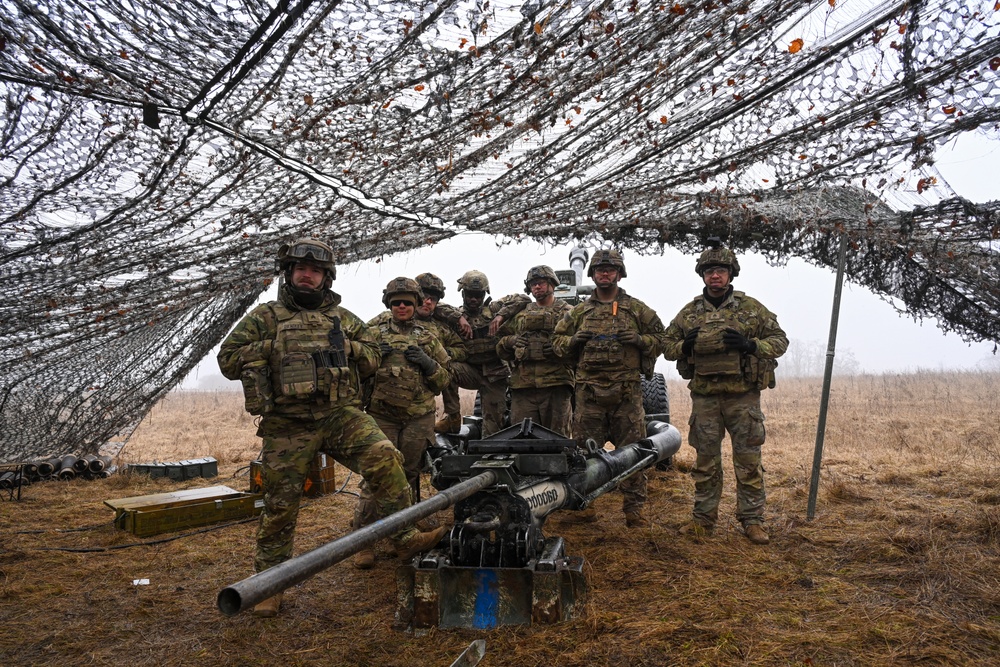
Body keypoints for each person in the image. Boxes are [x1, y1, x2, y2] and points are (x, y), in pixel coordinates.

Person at [217, 239, 446, 617]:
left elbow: (372, 357)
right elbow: (227, 360)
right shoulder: (266, 317)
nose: (307, 275)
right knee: (280, 503)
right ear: (289, 274)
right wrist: (276, 347)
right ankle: (269, 583)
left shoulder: (343, 318)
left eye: (316, 271)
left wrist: (347, 350)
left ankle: (404, 535)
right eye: (300, 270)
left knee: (385, 457)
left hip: (340, 414)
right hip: (288, 423)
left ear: (326, 277)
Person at [662, 241, 788, 545]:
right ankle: (703, 521)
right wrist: (685, 346)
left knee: (748, 461)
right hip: (705, 398)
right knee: (706, 462)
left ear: (731, 273)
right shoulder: (690, 313)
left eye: (720, 270)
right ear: (702, 275)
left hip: (742, 398)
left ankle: (753, 520)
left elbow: (780, 341)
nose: (714, 275)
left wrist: (751, 346)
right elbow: (666, 346)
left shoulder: (750, 309)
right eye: (709, 271)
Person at [552, 249, 665, 528]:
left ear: (619, 274)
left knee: (633, 453)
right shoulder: (579, 312)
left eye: (610, 269)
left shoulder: (636, 309)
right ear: (592, 274)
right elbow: (557, 344)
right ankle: (582, 507)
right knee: (582, 454)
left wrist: (640, 340)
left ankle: (634, 511)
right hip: (589, 396)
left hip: (626, 394)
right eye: (600, 269)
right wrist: (574, 340)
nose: (605, 273)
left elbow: (663, 338)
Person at [352, 277, 452, 569]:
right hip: (382, 416)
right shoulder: (373, 335)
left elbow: (445, 380)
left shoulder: (428, 338)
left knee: (408, 476)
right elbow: (353, 373)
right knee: (375, 478)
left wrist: (428, 363)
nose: (402, 307)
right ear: (389, 305)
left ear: (416, 304)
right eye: (397, 303)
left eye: (408, 302)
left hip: (418, 417)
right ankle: (363, 542)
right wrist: (369, 360)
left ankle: (403, 537)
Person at [432, 270, 526, 436]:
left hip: (495, 374)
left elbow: (523, 299)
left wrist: (501, 317)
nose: (474, 299)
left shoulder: (494, 309)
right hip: (471, 372)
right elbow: (433, 305)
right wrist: (458, 317)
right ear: (463, 294)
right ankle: (453, 416)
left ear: (484, 295)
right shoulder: (456, 314)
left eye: (478, 295)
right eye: (469, 295)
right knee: (446, 367)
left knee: (493, 427)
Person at [495, 265, 574, 435]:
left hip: (556, 386)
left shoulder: (568, 313)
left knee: (558, 439)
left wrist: (558, 347)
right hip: (524, 388)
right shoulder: (520, 315)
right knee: (522, 439)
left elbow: (579, 346)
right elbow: (501, 347)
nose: (537, 287)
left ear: (552, 284)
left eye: (541, 283)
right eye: (533, 284)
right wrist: (512, 341)